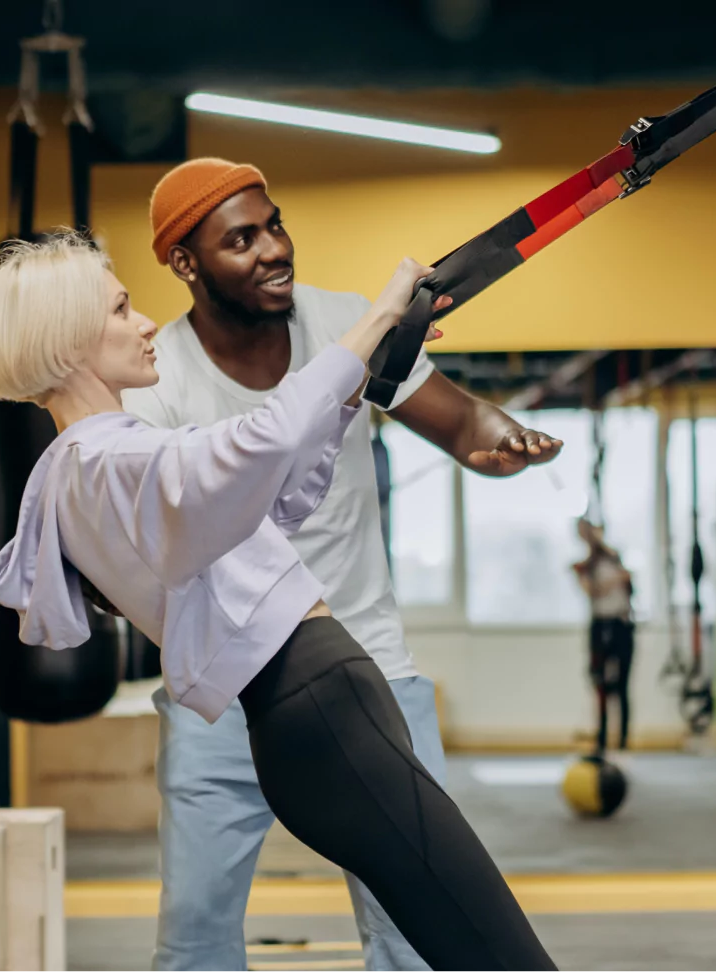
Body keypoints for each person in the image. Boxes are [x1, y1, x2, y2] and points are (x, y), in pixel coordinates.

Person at [0, 233, 560, 972]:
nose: (146, 322)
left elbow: (262, 503)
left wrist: (355, 385)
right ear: (66, 342)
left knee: (455, 944)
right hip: (325, 708)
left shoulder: (83, 468)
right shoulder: (114, 459)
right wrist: (376, 317)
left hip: (307, 718)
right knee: (498, 952)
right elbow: (259, 442)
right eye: (121, 309)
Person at [122, 157, 563, 972]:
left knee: (413, 932)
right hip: (221, 691)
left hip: (369, 674)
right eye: (241, 239)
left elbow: (460, 418)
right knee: (193, 936)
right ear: (186, 263)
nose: (273, 249)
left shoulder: (344, 324)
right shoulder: (161, 376)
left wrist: (499, 440)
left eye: (275, 224)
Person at [572, 517, 636, 752]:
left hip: (622, 625)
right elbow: (594, 591)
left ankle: (623, 742)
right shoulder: (583, 567)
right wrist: (616, 579)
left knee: (622, 686)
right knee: (599, 684)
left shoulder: (614, 558)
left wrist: (620, 576)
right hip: (600, 626)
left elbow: (629, 583)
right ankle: (601, 741)